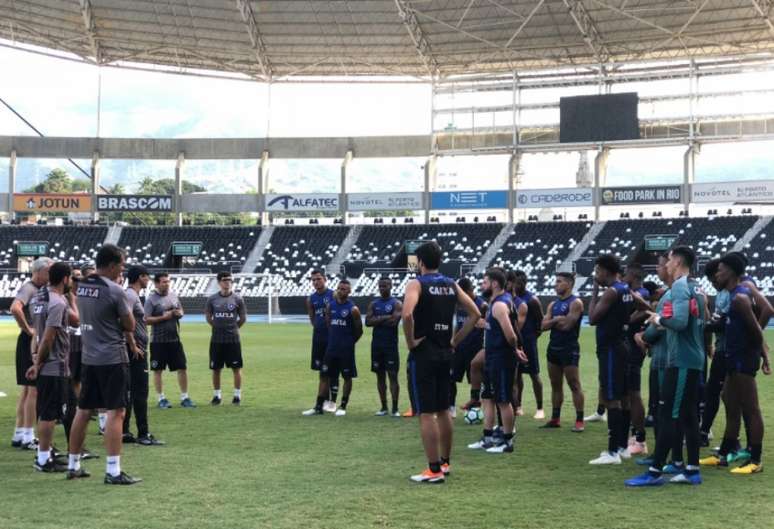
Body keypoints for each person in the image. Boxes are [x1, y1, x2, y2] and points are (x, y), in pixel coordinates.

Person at [626, 246, 706, 487]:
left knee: (668, 414)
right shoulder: (696, 286)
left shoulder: (680, 286)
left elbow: (680, 323)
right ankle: (692, 469)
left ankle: (655, 471)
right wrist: (662, 323)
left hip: (680, 360)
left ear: (678, 261)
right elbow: (696, 319)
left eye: (669, 260)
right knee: (689, 415)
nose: (667, 264)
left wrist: (658, 319)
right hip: (692, 358)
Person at [403, 241, 481, 484]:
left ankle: (433, 469)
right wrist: (455, 340)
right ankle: (445, 463)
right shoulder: (451, 284)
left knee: (426, 413)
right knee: (444, 410)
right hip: (445, 354)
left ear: (421, 263)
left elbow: (406, 314)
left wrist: (411, 342)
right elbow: (476, 314)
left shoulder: (416, 284)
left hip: (424, 353)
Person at [67, 244, 141, 484]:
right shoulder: (115, 290)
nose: (123, 269)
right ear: (111, 265)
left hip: (89, 357)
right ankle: (113, 470)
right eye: (121, 264)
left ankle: (73, 464)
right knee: (116, 412)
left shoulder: (83, 285)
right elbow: (130, 325)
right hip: (112, 358)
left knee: (83, 409)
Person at [700, 253, 767, 474]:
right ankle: (724, 455)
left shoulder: (740, 297)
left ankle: (755, 460)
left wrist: (763, 356)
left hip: (743, 360)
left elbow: (757, 332)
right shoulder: (732, 296)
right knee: (729, 401)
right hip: (732, 358)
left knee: (751, 408)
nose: (716, 275)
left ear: (730, 272)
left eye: (719, 270)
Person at [25, 262, 79, 472]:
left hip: (49, 364)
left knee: (67, 408)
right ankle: (43, 459)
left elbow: (36, 334)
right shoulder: (57, 302)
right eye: (71, 279)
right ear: (65, 279)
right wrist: (38, 364)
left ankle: (48, 455)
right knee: (49, 415)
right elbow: (48, 338)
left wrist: (35, 358)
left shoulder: (38, 297)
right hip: (54, 366)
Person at [467, 269, 527, 454]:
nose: (482, 285)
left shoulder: (500, 305)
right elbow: (501, 328)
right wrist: (486, 324)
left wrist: (515, 350)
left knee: (503, 400)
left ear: (494, 284)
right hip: (492, 357)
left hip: (501, 358)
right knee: (487, 397)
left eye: (485, 282)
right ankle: (488, 437)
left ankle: (507, 442)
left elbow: (510, 334)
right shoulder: (498, 301)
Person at [588, 254, 634, 465]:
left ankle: (612, 452)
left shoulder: (611, 291)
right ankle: (623, 447)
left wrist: (595, 291)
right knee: (624, 397)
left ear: (606, 271)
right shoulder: (625, 289)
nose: (596, 275)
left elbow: (593, 318)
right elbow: (640, 305)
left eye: (598, 271)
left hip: (610, 350)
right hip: (623, 345)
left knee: (611, 398)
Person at [303, 279, 362, 417]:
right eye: (339, 288)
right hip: (331, 348)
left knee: (347, 377)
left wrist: (349, 343)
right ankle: (318, 406)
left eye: (344, 289)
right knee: (324, 376)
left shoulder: (353, 309)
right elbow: (329, 324)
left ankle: (343, 405)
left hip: (346, 350)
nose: (341, 291)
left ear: (349, 291)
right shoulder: (330, 306)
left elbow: (359, 330)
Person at [10, 256, 52, 450]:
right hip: (30, 341)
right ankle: (28, 436)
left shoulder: (39, 289)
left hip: (30, 340)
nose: (50, 275)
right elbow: (15, 308)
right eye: (48, 271)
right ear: (38, 271)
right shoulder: (29, 288)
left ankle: (20, 433)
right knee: (33, 389)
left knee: (27, 390)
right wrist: (29, 329)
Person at [123, 265, 164, 446]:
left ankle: (125, 431)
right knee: (140, 391)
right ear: (140, 277)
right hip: (136, 350)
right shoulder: (131, 296)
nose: (148, 280)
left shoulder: (131, 295)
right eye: (147, 277)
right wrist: (132, 344)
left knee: (130, 392)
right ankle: (143, 433)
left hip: (133, 348)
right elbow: (123, 320)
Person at [540, 272, 585, 432]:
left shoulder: (576, 303)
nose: (555, 284)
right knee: (555, 385)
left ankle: (579, 420)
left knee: (574, 384)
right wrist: (556, 320)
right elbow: (543, 326)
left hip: (569, 348)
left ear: (569, 284)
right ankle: (555, 419)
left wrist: (553, 322)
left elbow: (567, 326)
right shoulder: (553, 304)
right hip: (553, 348)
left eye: (559, 282)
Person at [145, 273, 194, 408]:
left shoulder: (173, 295)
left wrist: (180, 314)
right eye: (163, 282)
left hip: (174, 339)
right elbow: (146, 320)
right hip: (158, 341)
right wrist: (163, 318)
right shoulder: (151, 300)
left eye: (168, 281)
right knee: (158, 370)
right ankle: (161, 399)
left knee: (182, 368)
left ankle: (185, 397)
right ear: (156, 284)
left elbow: (180, 309)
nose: (167, 284)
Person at [206, 271, 247, 406]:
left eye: (230, 280)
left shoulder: (238, 299)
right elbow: (208, 317)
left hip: (233, 340)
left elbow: (242, 318)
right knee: (216, 369)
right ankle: (217, 396)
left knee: (236, 368)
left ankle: (237, 396)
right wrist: (218, 327)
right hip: (216, 340)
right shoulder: (212, 299)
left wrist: (232, 329)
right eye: (224, 280)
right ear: (219, 282)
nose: (227, 282)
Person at [623, 263, 650, 456]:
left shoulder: (642, 293)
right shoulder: (634, 292)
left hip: (634, 349)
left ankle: (640, 439)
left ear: (632, 276)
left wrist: (624, 321)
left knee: (633, 393)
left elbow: (639, 314)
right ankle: (633, 435)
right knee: (627, 393)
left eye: (625, 275)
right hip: (628, 348)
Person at [365, 278, 402, 417]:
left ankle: (395, 408)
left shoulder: (397, 303)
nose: (382, 288)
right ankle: (384, 407)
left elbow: (394, 322)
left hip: (390, 345)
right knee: (379, 376)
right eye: (380, 286)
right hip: (377, 346)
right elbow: (368, 322)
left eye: (385, 286)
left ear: (391, 286)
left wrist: (378, 319)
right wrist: (386, 317)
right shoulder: (374, 303)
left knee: (392, 375)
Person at [512, 271, 544, 420]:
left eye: (519, 283)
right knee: (517, 375)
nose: (516, 286)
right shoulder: (511, 298)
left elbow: (540, 322)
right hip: (515, 342)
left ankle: (540, 408)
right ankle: (518, 406)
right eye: (514, 283)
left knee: (534, 374)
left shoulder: (532, 300)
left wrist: (533, 337)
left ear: (524, 284)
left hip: (529, 342)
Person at [303, 270, 337, 414]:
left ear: (325, 279)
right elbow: (312, 319)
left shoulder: (333, 295)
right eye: (313, 280)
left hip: (332, 338)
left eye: (318, 279)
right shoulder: (311, 299)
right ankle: (324, 402)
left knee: (332, 370)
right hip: (318, 339)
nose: (316, 282)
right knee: (322, 371)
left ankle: (332, 402)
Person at [451, 277, 487, 414]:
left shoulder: (482, 305)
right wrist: (454, 341)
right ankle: (451, 407)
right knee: (451, 378)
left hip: (474, 348)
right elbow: (458, 325)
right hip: (459, 347)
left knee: (475, 380)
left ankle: (476, 407)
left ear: (468, 290)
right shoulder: (459, 304)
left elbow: (486, 326)